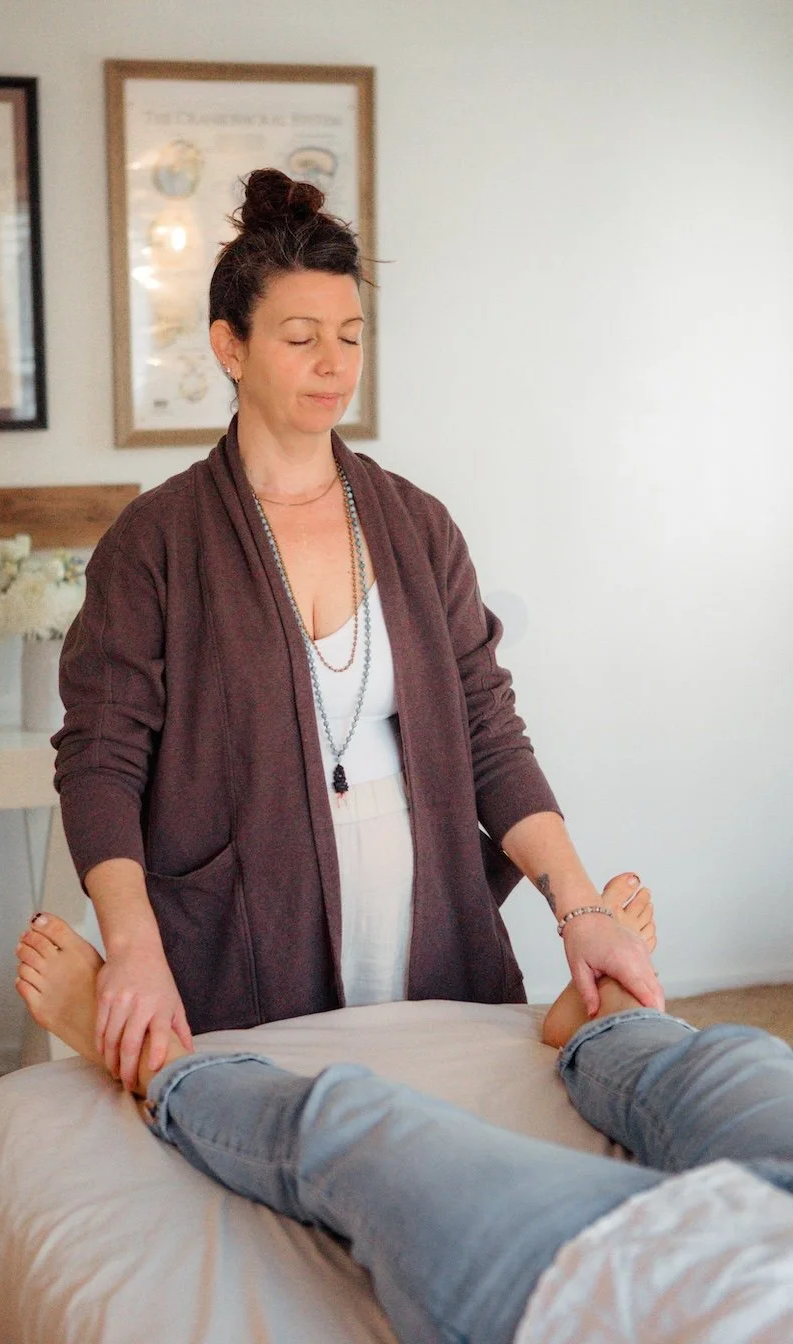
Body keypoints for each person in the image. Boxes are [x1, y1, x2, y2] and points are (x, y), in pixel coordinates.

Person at [52, 166, 661, 1093]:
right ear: (231, 346)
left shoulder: (417, 526)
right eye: (300, 338)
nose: (333, 363)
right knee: (273, 1127)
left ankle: (568, 1020)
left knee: (447, 1115)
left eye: (349, 336)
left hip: (426, 902)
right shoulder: (156, 543)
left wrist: (577, 909)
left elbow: (490, 732)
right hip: (248, 918)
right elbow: (101, 759)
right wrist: (130, 945)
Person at [15, 892, 793, 1344]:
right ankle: (610, 1026)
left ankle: (161, 1070)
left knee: (358, 1122)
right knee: (733, 1060)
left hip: (659, 1301)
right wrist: (580, 905)